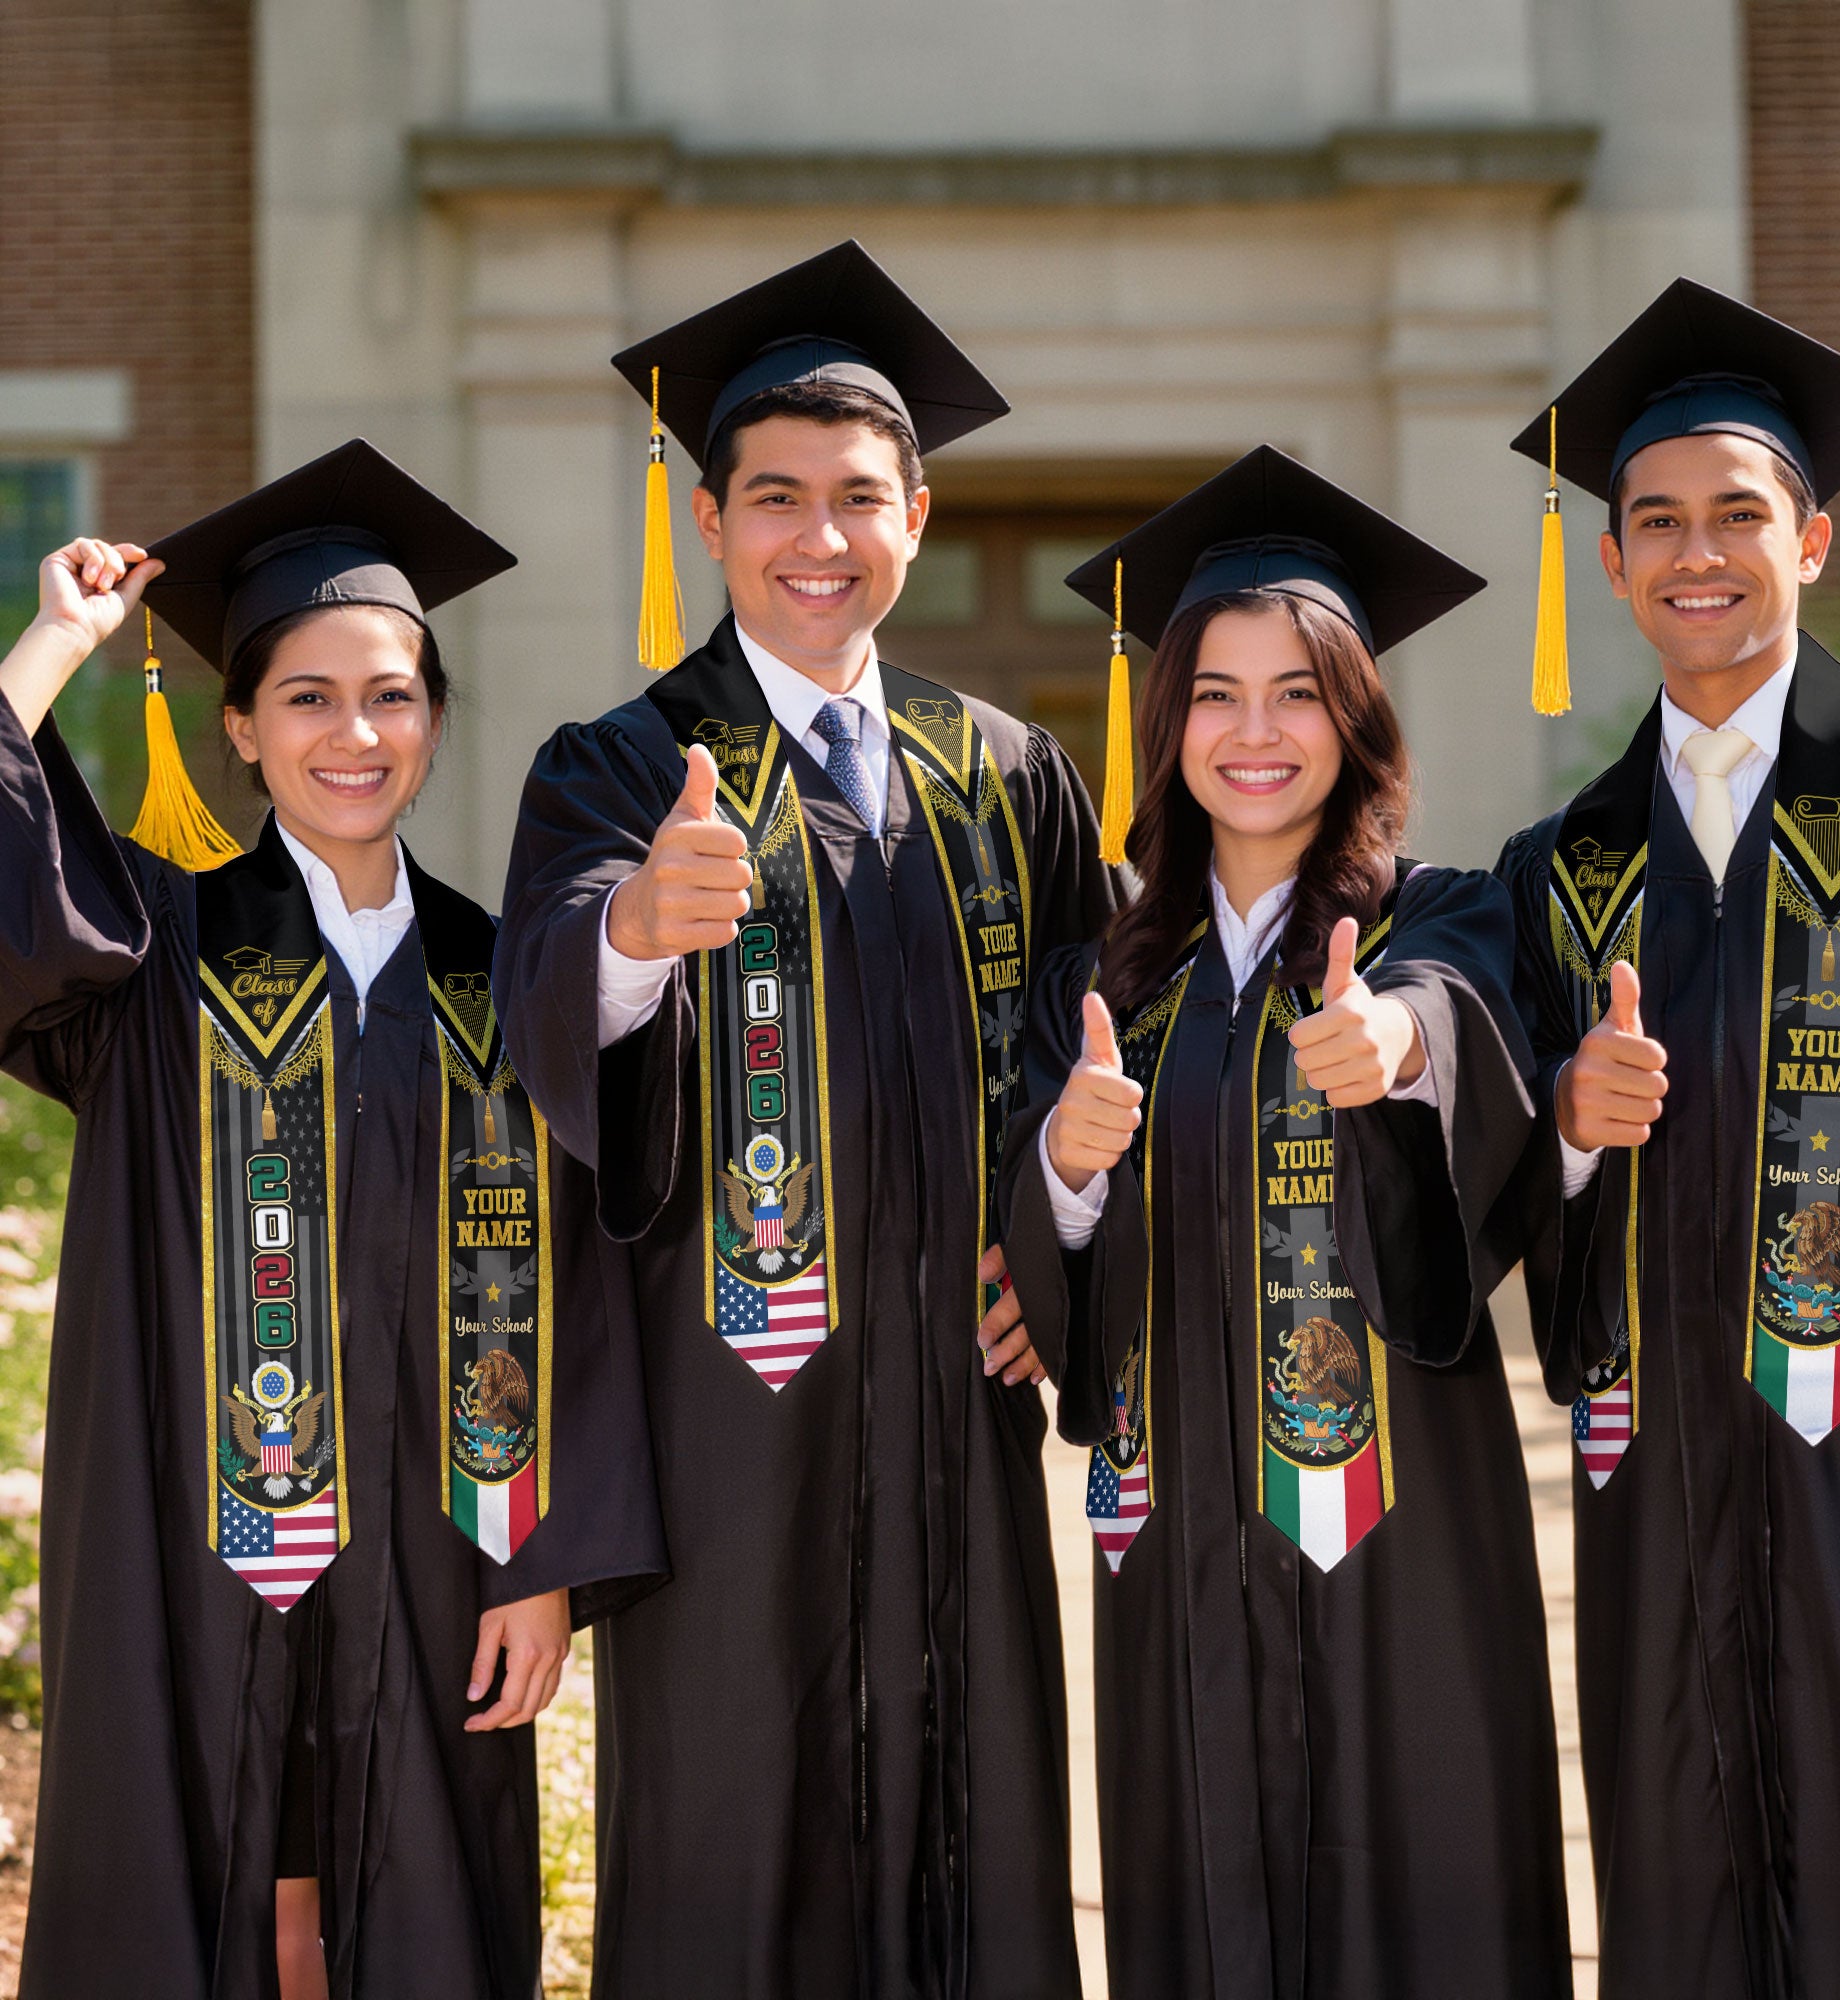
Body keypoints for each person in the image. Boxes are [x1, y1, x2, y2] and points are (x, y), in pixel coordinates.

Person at [494, 241, 1120, 1998]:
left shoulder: (1004, 768)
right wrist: (631, 931)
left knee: (975, 1828)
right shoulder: (622, 765)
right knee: (735, 1844)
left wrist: (1056, 1244)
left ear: (917, 514)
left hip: (956, 1410)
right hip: (731, 1418)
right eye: (776, 498)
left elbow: (1110, 1043)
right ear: (710, 521)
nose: (818, 538)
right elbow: (544, 1002)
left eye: (860, 498)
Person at [0, 441, 664, 2000]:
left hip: (443, 1549)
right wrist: (52, 647)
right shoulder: (152, 952)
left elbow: (587, 1281)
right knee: (203, 1872)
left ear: (434, 718)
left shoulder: (507, 977)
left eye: (391, 694)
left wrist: (544, 1559)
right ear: (239, 726)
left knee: (420, 1896)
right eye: (305, 696)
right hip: (190, 1535)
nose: (352, 733)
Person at [999, 447, 1571, 1999]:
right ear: (1166, 721)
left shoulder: (1443, 915)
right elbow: (1051, 1264)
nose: (1257, 734)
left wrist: (1393, 1050)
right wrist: (1063, 1159)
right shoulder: (1103, 983)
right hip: (1176, 1530)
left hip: (1406, 1537)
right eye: (1216, 694)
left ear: (1358, 717)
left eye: (1300, 692)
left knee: (1425, 1896)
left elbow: (1460, 1026)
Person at [1497, 279, 1840, 1999]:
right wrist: (1564, 1127)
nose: (1694, 553)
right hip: (1662, 1487)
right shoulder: (1569, 861)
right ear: (1616, 562)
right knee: (1683, 1894)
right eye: (1655, 522)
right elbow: (1495, 1172)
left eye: (1737, 515)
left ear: (1814, 539)